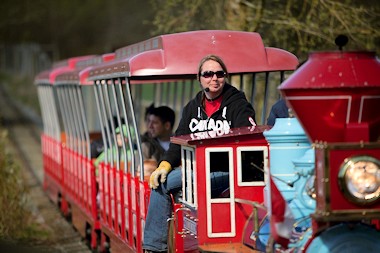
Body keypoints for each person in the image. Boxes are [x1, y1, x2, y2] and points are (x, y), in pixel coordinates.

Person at [143, 54, 257, 253]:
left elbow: (247, 139)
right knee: (160, 181)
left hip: (228, 172)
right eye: (208, 74)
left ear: (225, 76)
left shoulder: (239, 105)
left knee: (174, 182)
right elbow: (178, 140)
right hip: (197, 170)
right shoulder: (192, 107)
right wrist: (165, 165)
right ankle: (154, 248)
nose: (214, 78)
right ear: (199, 78)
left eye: (219, 74)